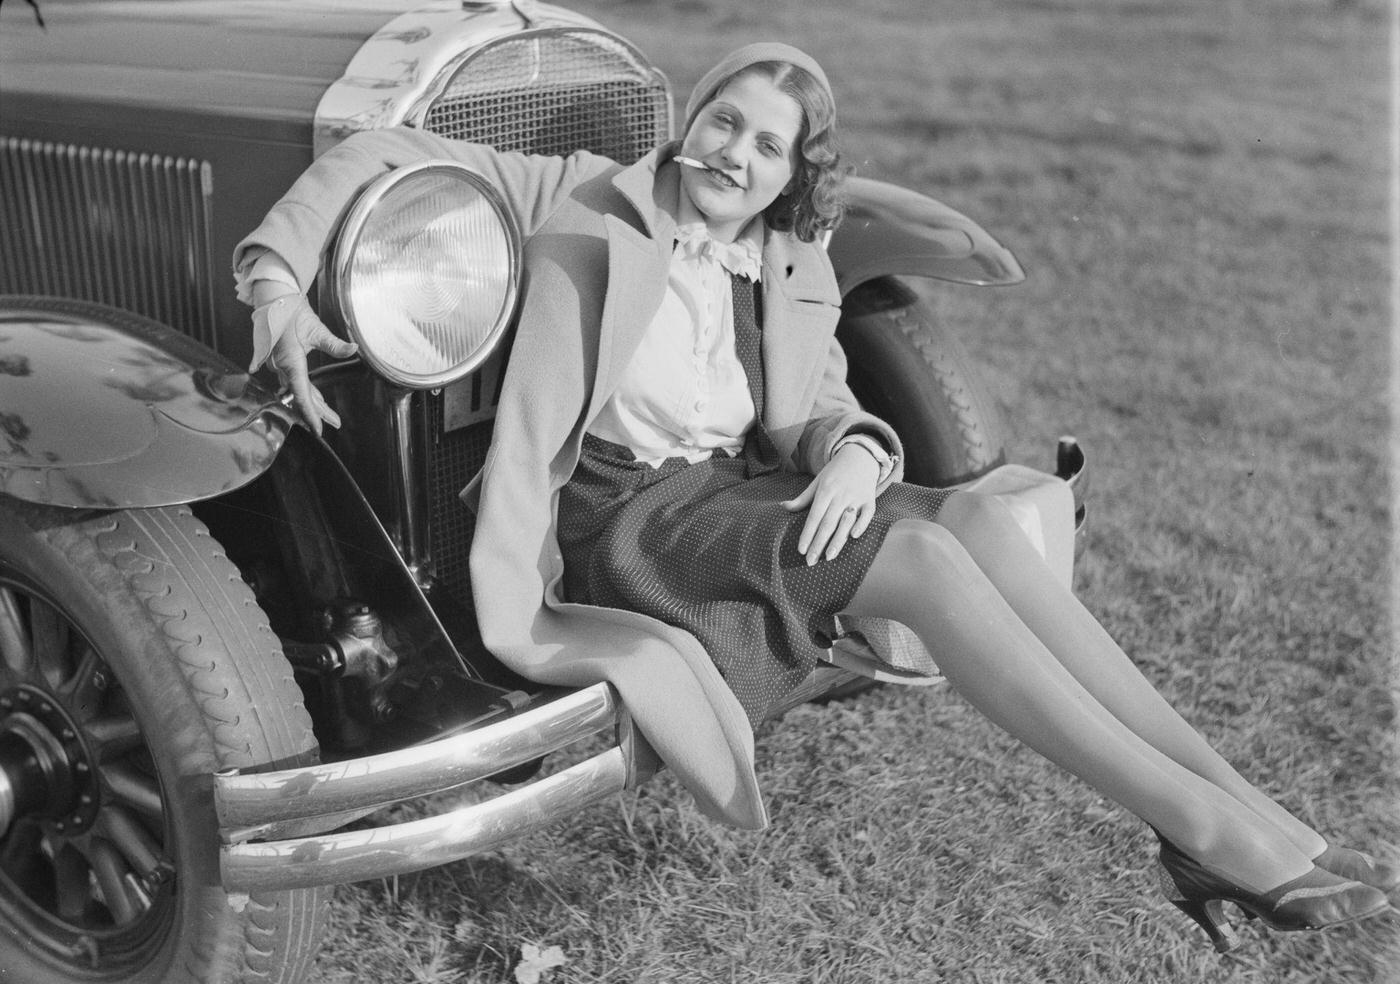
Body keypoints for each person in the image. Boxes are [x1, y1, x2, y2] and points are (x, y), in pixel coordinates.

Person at [234, 42, 1395, 951]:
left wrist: (854, 453)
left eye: (766, 143)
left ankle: (1243, 806)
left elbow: (828, 406)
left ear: (794, 172)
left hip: (735, 491)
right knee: (932, 564)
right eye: (722, 119)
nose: (733, 151)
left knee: (983, 520)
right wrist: (279, 277)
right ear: (691, 121)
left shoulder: (782, 262)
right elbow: (376, 159)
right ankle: (1195, 827)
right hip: (620, 523)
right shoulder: (581, 195)